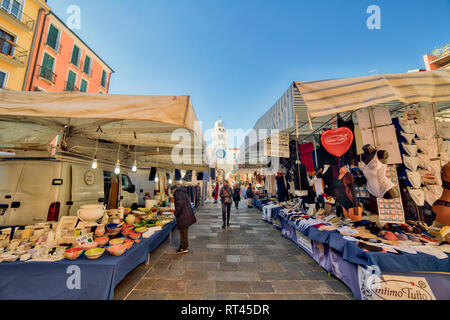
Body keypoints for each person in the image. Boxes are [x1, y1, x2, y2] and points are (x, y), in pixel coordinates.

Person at [171, 185, 196, 254]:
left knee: (183, 233)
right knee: (184, 232)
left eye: (172, 191)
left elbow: (180, 204)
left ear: (174, 189)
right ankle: (184, 246)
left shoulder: (177, 193)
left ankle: (184, 248)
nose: (172, 193)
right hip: (186, 215)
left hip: (183, 216)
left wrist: (176, 213)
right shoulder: (183, 192)